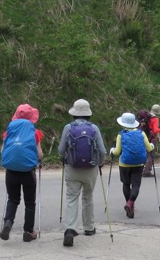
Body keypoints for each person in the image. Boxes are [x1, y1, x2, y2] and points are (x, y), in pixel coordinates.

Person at [58, 99, 107, 247]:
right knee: (88, 197)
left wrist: (65, 158)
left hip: (72, 168)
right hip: (90, 169)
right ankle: (89, 228)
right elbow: (102, 150)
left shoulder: (68, 127)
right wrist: (100, 162)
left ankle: (70, 229)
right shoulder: (94, 128)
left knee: (72, 198)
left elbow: (61, 150)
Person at [0, 103, 44, 242]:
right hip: (28, 171)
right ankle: (28, 232)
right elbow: (40, 154)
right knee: (30, 202)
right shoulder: (34, 132)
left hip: (11, 171)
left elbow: (2, 151)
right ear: (32, 118)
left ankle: (8, 222)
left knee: (13, 199)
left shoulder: (9, 132)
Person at [109, 112, 154, 218]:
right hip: (138, 163)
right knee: (136, 185)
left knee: (126, 184)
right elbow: (149, 148)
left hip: (124, 164)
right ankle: (130, 203)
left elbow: (117, 152)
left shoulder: (121, 134)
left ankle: (129, 204)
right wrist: (152, 145)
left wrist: (112, 151)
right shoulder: (141, 133)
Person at [141, 104, 160, 177]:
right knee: (150, 155)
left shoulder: (145, 117)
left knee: (144, 154)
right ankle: (147, 171)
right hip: (151, 138)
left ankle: (141, 169)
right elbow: (155, 130)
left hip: (143, 137)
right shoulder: (155, 119)